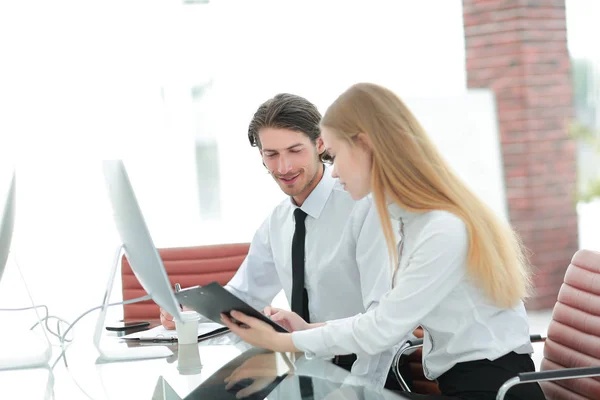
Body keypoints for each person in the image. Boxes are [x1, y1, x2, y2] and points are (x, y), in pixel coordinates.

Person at [219, 83, 546, 400]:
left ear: (364, 146)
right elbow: (381, 320)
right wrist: (306, 330)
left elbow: (381, 330)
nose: (333, 172)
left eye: (335, 155)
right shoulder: (413, 220)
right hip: (462, 385)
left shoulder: (442, 229)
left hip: (494, 390)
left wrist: (284, 342)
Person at [160, 93, 410, 389]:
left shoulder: (364, 207)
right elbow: (245, 296)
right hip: (303, 369)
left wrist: (359, 392)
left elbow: (380, 323)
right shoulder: (278, 220)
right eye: (272, 155)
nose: (284, 167)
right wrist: (191, 313)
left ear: (320, 144)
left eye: (295, 150)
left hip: (364, 371)